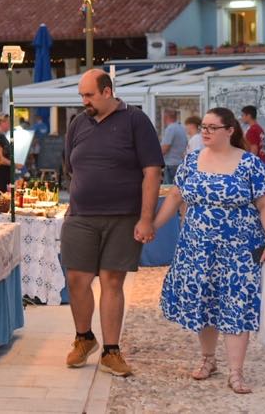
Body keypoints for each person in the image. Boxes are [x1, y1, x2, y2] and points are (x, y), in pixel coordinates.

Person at [155, 107, 265, 394]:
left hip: (239, 250)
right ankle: (208, 360)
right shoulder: (192, 159)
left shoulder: (250, 163)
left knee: (236, 306)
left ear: (230, 130)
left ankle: (236, 373)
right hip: (197, 248)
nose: (205, 131)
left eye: (211, 127)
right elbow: (176, 196)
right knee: (205, 304)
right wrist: (152, 226)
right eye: (203, 127)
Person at [62, 69, 163, 377]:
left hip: (122, 217)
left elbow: (152, 171)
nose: (84, 101)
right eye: (81, 95)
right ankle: (84, 338)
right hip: (80, 215)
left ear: (107, 92)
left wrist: (146, 218)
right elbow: (71, 168)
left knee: (112, 282)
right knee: (76, 279)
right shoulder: (78, 123)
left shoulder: (135, 120)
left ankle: (111, 351)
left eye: (89, 95)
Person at [161, 109, 188, 184]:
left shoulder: (170, 128)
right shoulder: (181, 128)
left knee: (168, 187)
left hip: (171, 164)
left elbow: (165, 147)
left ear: (166, 117)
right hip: (180, 163)